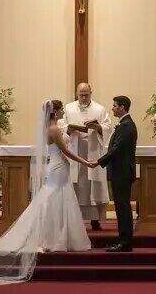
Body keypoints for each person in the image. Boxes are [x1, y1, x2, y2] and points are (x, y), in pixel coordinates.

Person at [0, 100, 93, 283]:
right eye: (60, 110)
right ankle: (52, 238)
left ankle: (57, 237)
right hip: (58, 167)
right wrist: (85, 162)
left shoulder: (51, 128)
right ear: (55, 112)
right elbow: (65, 151)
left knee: (58, 199)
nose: (62, 113)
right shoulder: (54, 130)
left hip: (58, 167)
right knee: (53, 199)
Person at [59, 83, 112, 230]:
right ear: (76, 93)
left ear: (91, 93)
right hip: (75, 151)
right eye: (81, 94)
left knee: (93, 186)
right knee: (77, 185)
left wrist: (98, 127)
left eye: (86, 94)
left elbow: (108, 127)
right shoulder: (69, 108)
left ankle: (95, 219)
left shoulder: (99, 109)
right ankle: (75, 220)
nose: (83, 97)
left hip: (93, 151)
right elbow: (62, 126)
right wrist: (69, 128)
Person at [94, 96, 137, 252]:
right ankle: (122, 239)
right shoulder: (125, 124)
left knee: (123, 207)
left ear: (122, 107)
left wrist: (98, 162)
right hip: (120, 172)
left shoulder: (126, 126)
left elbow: (116, 149)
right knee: (120, 207)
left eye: (114, 106)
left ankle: (125, 242)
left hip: (122, 173)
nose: (112, 108)